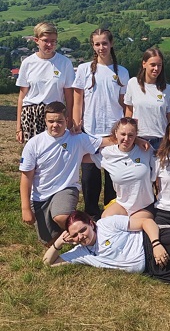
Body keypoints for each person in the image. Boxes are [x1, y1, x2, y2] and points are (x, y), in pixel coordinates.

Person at [19, 101, 111, 246]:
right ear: (45, 121)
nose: (55, 125)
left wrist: (135, 140)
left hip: (66, 188)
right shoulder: (34, 144)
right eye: (51, 121)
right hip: (40, 196)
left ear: (67, 120)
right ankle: (75, 230)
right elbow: (26, 177)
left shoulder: (77, 138)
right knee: (48, 242)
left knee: (61, 216)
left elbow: (108, 141)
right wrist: (25, 208)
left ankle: (90, 238)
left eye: (60, 121)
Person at [72, 28, 129, 219]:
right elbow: (78, 100)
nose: (101, 47)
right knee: (90, 179)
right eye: (97, 44)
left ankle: (111, 217)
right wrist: (76, 122)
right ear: (93, 46)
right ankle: (91, 216)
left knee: (113, 179)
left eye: (104, 43)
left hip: (114, 133)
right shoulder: (84, 69)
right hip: (90, 131)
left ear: (111, 44)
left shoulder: (121, 72)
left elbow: (124, 103)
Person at [16, 22, 75, 144]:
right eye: (45, 41)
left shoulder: (65, 63)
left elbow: (69, 96)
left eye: (53, 41)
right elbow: (21, 97)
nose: (49, 45)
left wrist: (69, 119)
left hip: (55, 115)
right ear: (37, 40)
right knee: (34, 153)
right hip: (31, 115)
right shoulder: (28, 63)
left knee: (55, 151)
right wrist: (18, 128)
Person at [89, 117, 155, 220]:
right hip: (122, 205)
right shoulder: (107, 153)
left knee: (132, 225)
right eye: (123, 134)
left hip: (145, 205)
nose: (126, 139)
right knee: (106, 221)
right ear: (116, 133)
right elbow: (80, 154)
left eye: (131, 135)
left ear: (136, 135)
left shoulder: (145, 150)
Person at [124, 47, 170, 151]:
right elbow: (129, 112)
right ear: (144, 64)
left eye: (159, 65)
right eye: (153, 65)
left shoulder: (168, 89)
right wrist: (129, 134)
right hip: (137, 140)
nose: (156, 69)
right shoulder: (133, 83)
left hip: (161, 141)